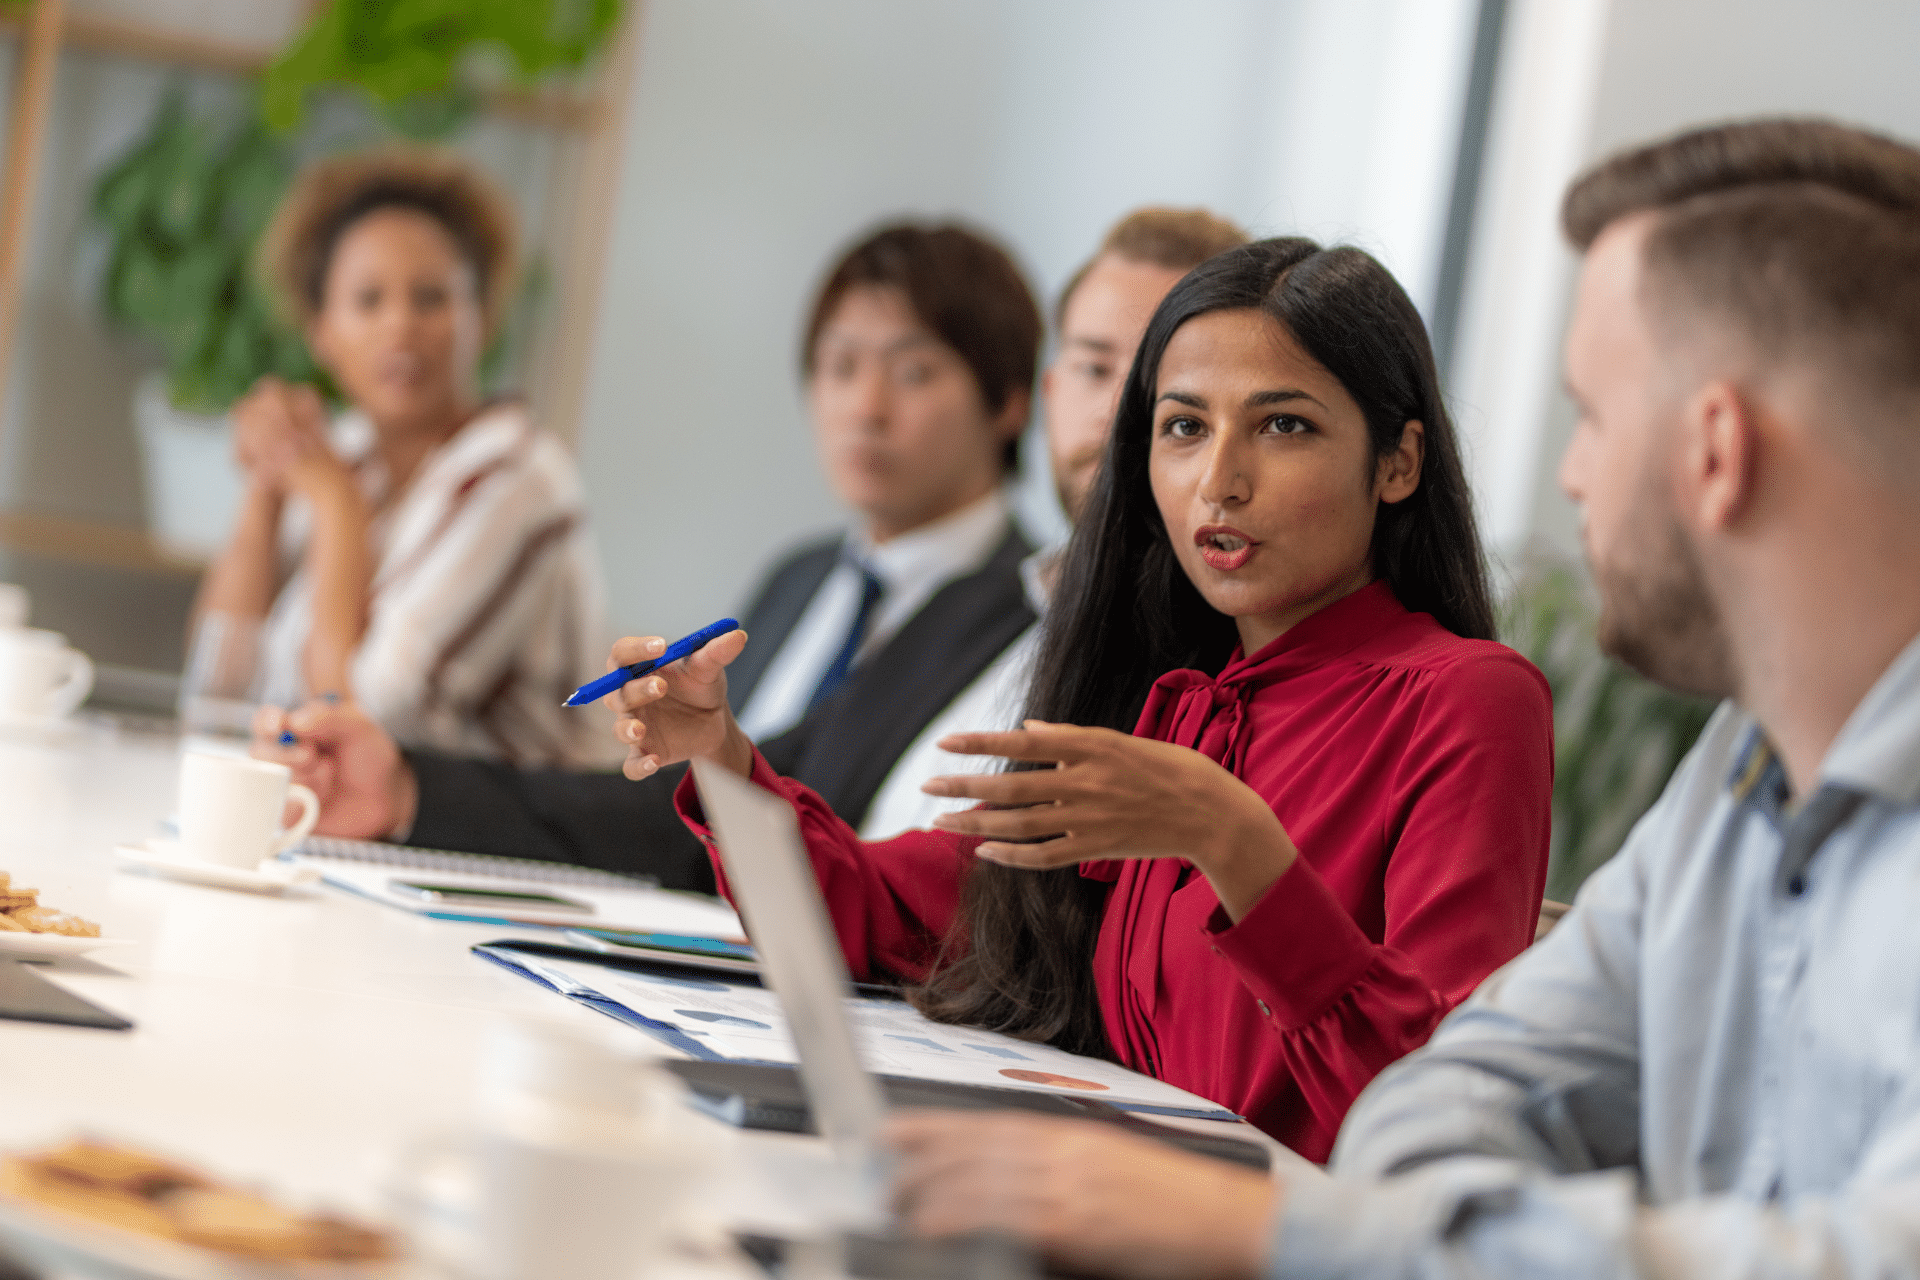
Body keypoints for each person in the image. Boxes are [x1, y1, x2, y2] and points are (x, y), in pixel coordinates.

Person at [878, 117, 1920, 1280]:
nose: (1568, 475)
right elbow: (1456, 1088)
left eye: (1593, 416)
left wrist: (1275, 1232)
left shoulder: (1476, 702)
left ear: (1717, 450)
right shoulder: (1732, 784)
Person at [611, 235, 1555, 1157]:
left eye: (1284, 425)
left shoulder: (1468, 701)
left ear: (1398, 461)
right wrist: (720, 755)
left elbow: (1440, 1112)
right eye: (1184, 427)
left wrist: (1231, 841)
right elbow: (881, 915)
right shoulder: (1171, 699)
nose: (1219, 482)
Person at [255, 222, 1042, 891]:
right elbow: (689, 822)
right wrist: (410, 793)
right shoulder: (800, 581)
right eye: (840, 367)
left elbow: (787, 827)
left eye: (912, 372)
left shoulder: (1026, 615)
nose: (865, 407)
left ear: (1009, 399)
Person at [194, 149, 614, 768]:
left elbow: (361, 725)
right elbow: (218, 688)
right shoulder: (353, 454)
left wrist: (337, 507)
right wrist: (267, 484)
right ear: (321, 332)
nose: (400, 327)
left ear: (483, 316)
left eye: (432, 298)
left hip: (503, 852)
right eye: (368, 301)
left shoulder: (520, 478)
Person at [862, 206, 1248, 838]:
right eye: (1094, 369)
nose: (1116, 413)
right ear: (1048, 391)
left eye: (1163, 382)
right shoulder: (970, 603)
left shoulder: (1213, 683)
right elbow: (795, 780)